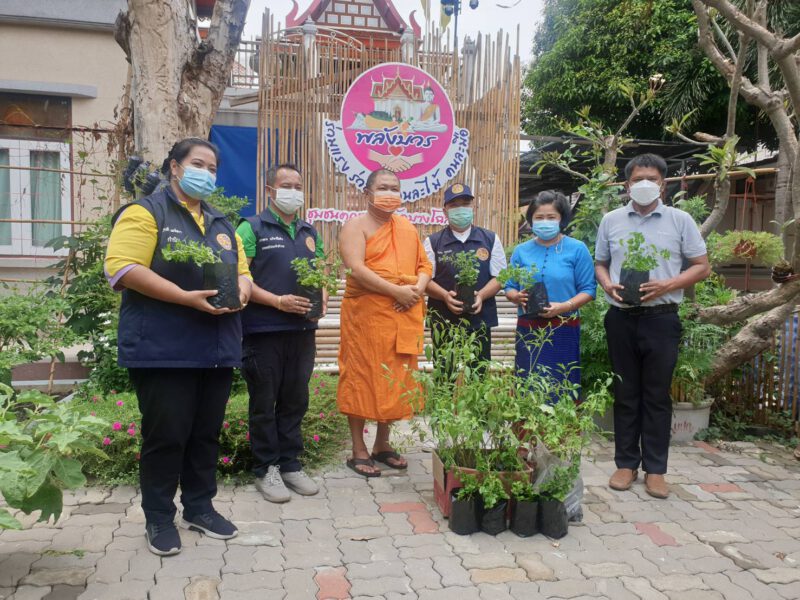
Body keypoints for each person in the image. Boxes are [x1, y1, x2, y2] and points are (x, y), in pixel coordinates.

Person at [105, 138, 252, 556]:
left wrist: (242, 292)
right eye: (197, 164)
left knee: (205, 434)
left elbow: (243, 271)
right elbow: (123, 268)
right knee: (166, 435)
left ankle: (200, 508)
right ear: (174, 167)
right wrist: (184, 297)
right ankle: (157, 516)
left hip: (216, 347)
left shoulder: (222, 224)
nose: (205, 173)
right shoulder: (146, 212)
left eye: (212, 167)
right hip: (164, 346)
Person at [595, 153, 711, 499]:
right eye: (637, 179)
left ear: (663, 184)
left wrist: (668, 285)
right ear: (627, 184)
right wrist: (606, 284)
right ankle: (626, 464)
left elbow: (701, 266)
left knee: (657, 395)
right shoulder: (611, 220)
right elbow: (600, 263)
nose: (644, 184)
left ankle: (656, 469)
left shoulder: (680, 220)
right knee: (626, 393)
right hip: (620, 317)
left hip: (661, 319)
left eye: (652, 179)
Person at [236, 164, 326, 503]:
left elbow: (319, 270)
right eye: (286, 185)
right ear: (271, 190)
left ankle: (290, 464)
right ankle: (265, 468)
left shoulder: (308, 231)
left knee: (295, 399)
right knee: (264, 401)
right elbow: (240, 274)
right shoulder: (251, 228)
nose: (293, 191)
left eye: (298, 185)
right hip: (263, 331)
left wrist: (324, 297)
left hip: (302, 330)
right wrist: (276, 301)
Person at [337, 169, 433, 477]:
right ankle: (358, 449)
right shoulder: (356, 226)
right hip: (366, 319)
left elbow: (424, 265)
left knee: (395, 381)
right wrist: (397, 291)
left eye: (394, 188)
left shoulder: (406, 228)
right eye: (383, 187)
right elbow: (356, 268)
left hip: (401, 317)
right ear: (368, 193)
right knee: (361, 378)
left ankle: (383, 444)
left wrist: (417, 288)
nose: (389, 192)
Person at [505, 191, 596, 388]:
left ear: (561, 219)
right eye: (539, 217)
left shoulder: (577, 249)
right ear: (531, 220)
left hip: (564, 326)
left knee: (562, 382)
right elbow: (509, 285)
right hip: (528, 327)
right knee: (528, 380)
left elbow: (589, 289)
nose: (544, 221)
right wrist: (516, 296)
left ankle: (562, 419)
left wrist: (564, 306)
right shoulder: (521, 251)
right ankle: (527, 420)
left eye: (551, 217)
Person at [424, 183, 506, 368]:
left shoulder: (490, 239)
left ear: (473, 208)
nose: (460, 209)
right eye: (454, 205)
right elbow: (425, 278)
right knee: (444, 373)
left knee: (478, 373)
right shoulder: (433, 242)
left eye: (465, 204)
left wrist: (481, 296)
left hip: (480, 318)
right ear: (444, 211)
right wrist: (445, 296)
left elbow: (501, 276)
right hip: (444, 320)